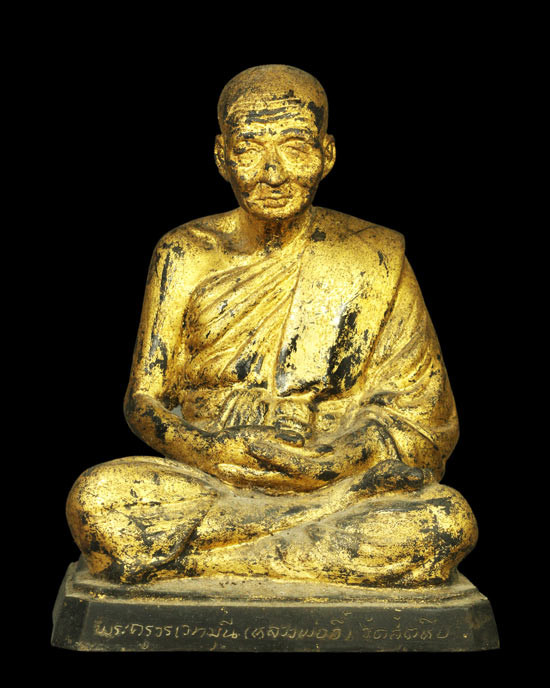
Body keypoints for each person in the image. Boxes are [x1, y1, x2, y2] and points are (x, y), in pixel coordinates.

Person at [66, 64, 478, 586]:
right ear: (222, 157)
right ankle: (300, 545)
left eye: (295, 147)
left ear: (327, 154)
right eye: (250, 148)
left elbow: (424, 420)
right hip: (213, 477)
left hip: (336, 477)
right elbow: (144, 402)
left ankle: (199, 560)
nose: (274, 172)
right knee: (96, 498)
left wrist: (330, 461)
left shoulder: (372, 256)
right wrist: (210, 451)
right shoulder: (185, 253)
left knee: (445, 521)